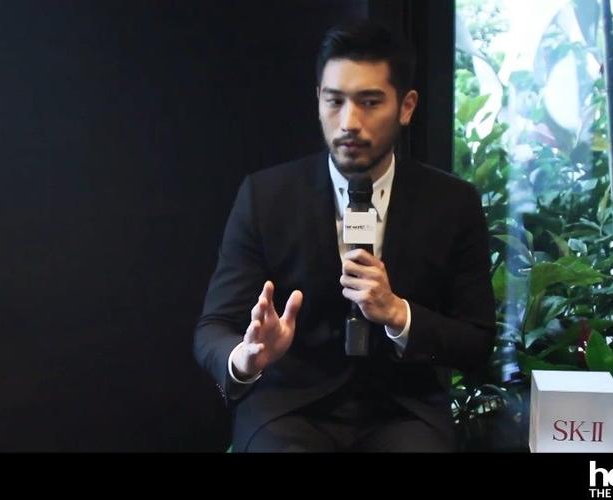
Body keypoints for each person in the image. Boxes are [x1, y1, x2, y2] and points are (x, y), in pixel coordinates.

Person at [193, 20, 495, 452]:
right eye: (335, 101)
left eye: (370, 102)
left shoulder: (453, 203)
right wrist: (244, 357)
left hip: (404, 409)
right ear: (318, 100)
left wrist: (399, 314)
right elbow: (214, 327)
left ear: (406, 106)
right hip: (290, 407)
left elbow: (477, 342)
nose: (349, 122)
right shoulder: (265, 196)